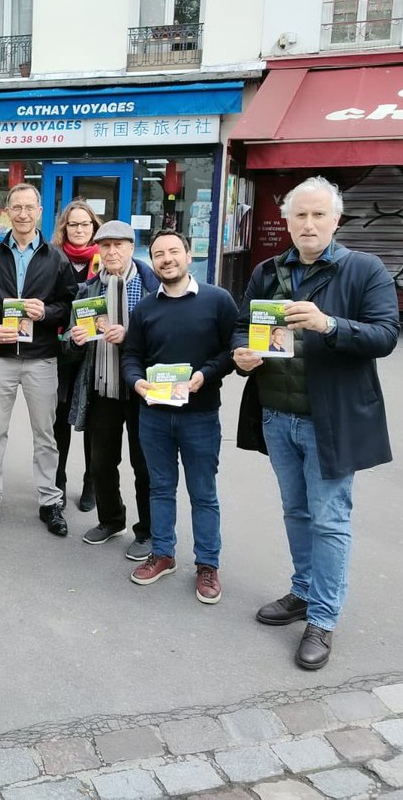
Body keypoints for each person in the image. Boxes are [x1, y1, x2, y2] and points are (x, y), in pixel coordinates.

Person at [232, 176, 400, 671]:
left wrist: (328, 324)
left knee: (330, 521)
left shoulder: (365, 270)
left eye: (318, 215)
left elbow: (385, 335)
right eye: (299, 215)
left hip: (330, 420)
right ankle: (303, 592)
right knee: (296, 512)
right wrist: (240, 354)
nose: (308, 224)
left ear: (336, 220)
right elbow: (243, 325)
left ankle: (323, 619)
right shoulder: (267, 270)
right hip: (277, 414)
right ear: (285, 221)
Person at [122, 229, 237, 604]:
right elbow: (132, 356)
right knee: (160, 487)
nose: (166, 259)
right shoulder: (145, 309)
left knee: (203, 493)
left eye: (174, 251)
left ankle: (207, 564)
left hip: (200, 415)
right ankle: (163, 552)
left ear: (189, 256)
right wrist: (137, 383)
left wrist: (207, 374)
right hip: (153, 414)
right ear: (152, 261)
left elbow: (230, 351)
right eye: (158, 254)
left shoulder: (218, 301)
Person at [0, 183, 76, 537]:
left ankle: (50, 502)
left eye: (29, 207)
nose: (23, 214)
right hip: (0, 357)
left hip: (41, 358)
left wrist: (46, 312)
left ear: (40, 212)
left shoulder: (55, 257)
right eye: (16, 207)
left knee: (45, 435)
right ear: (7, 211)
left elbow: (69, 304)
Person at [64, 220, 159, 561]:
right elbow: (68, 342)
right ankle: (110, 520)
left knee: (144, 464)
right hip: (102, 388)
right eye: (105, 246)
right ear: (98, 251)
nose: (112, 251)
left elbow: (166, 339)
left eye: (119, 245)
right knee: (102, 462)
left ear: (132, 248)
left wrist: (130, 336)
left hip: (142, 392)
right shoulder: (88, 290)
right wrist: (74, 341)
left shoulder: (152, 287)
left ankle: (147, 531)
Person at [52, 199, 102, 512]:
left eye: (85, 224)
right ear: (64, 228)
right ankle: (57, 480)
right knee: (59, 417)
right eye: (74, 224)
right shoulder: (53, 259)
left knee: (94, 419)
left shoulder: (106, 258)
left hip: (97, 351)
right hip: (61, 349)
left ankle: (91, 482)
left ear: (94, 227)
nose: (80, 229)